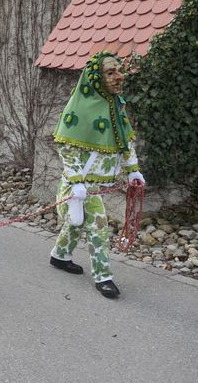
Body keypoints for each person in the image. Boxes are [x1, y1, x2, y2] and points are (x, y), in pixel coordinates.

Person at [48, 51, 144, 299]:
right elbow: (66, 146)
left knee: (76, 223)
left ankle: (60, 256)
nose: (119, 77)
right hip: (81, 184)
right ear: (96, 78)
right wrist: (76, 181)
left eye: (119, 71)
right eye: (111, 72)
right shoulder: (80, 107)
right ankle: (103, 277)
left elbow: (125, 141)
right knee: (98, 226)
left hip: (94, 185)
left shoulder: (116, 105)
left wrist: (133, 170)